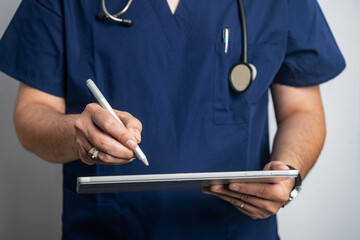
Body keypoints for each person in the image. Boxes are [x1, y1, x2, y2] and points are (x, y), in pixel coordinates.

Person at [0, 0, 345, 239]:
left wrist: (288, 173)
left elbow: (303, 111)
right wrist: (77, 134)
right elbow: (32, 112)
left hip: (236, 231)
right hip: (105, 231)